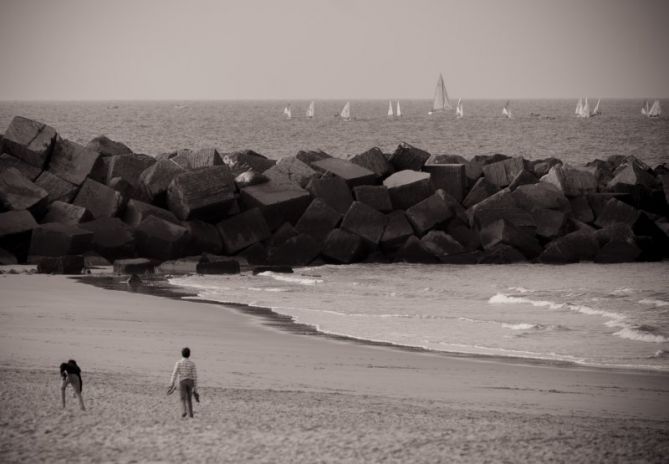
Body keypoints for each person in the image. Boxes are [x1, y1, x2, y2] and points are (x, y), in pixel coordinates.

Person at [168, 347, 199, 418]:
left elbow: (174, 373)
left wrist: (171, 384)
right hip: (190, 381)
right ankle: (191, 414)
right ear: (189, 354)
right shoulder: (192, 363)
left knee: (182, 398)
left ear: (181, 354)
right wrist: (196, 389)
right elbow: (195, 376)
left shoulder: (178, 363)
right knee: (189, 399)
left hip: (182, 381)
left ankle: (184, 411)